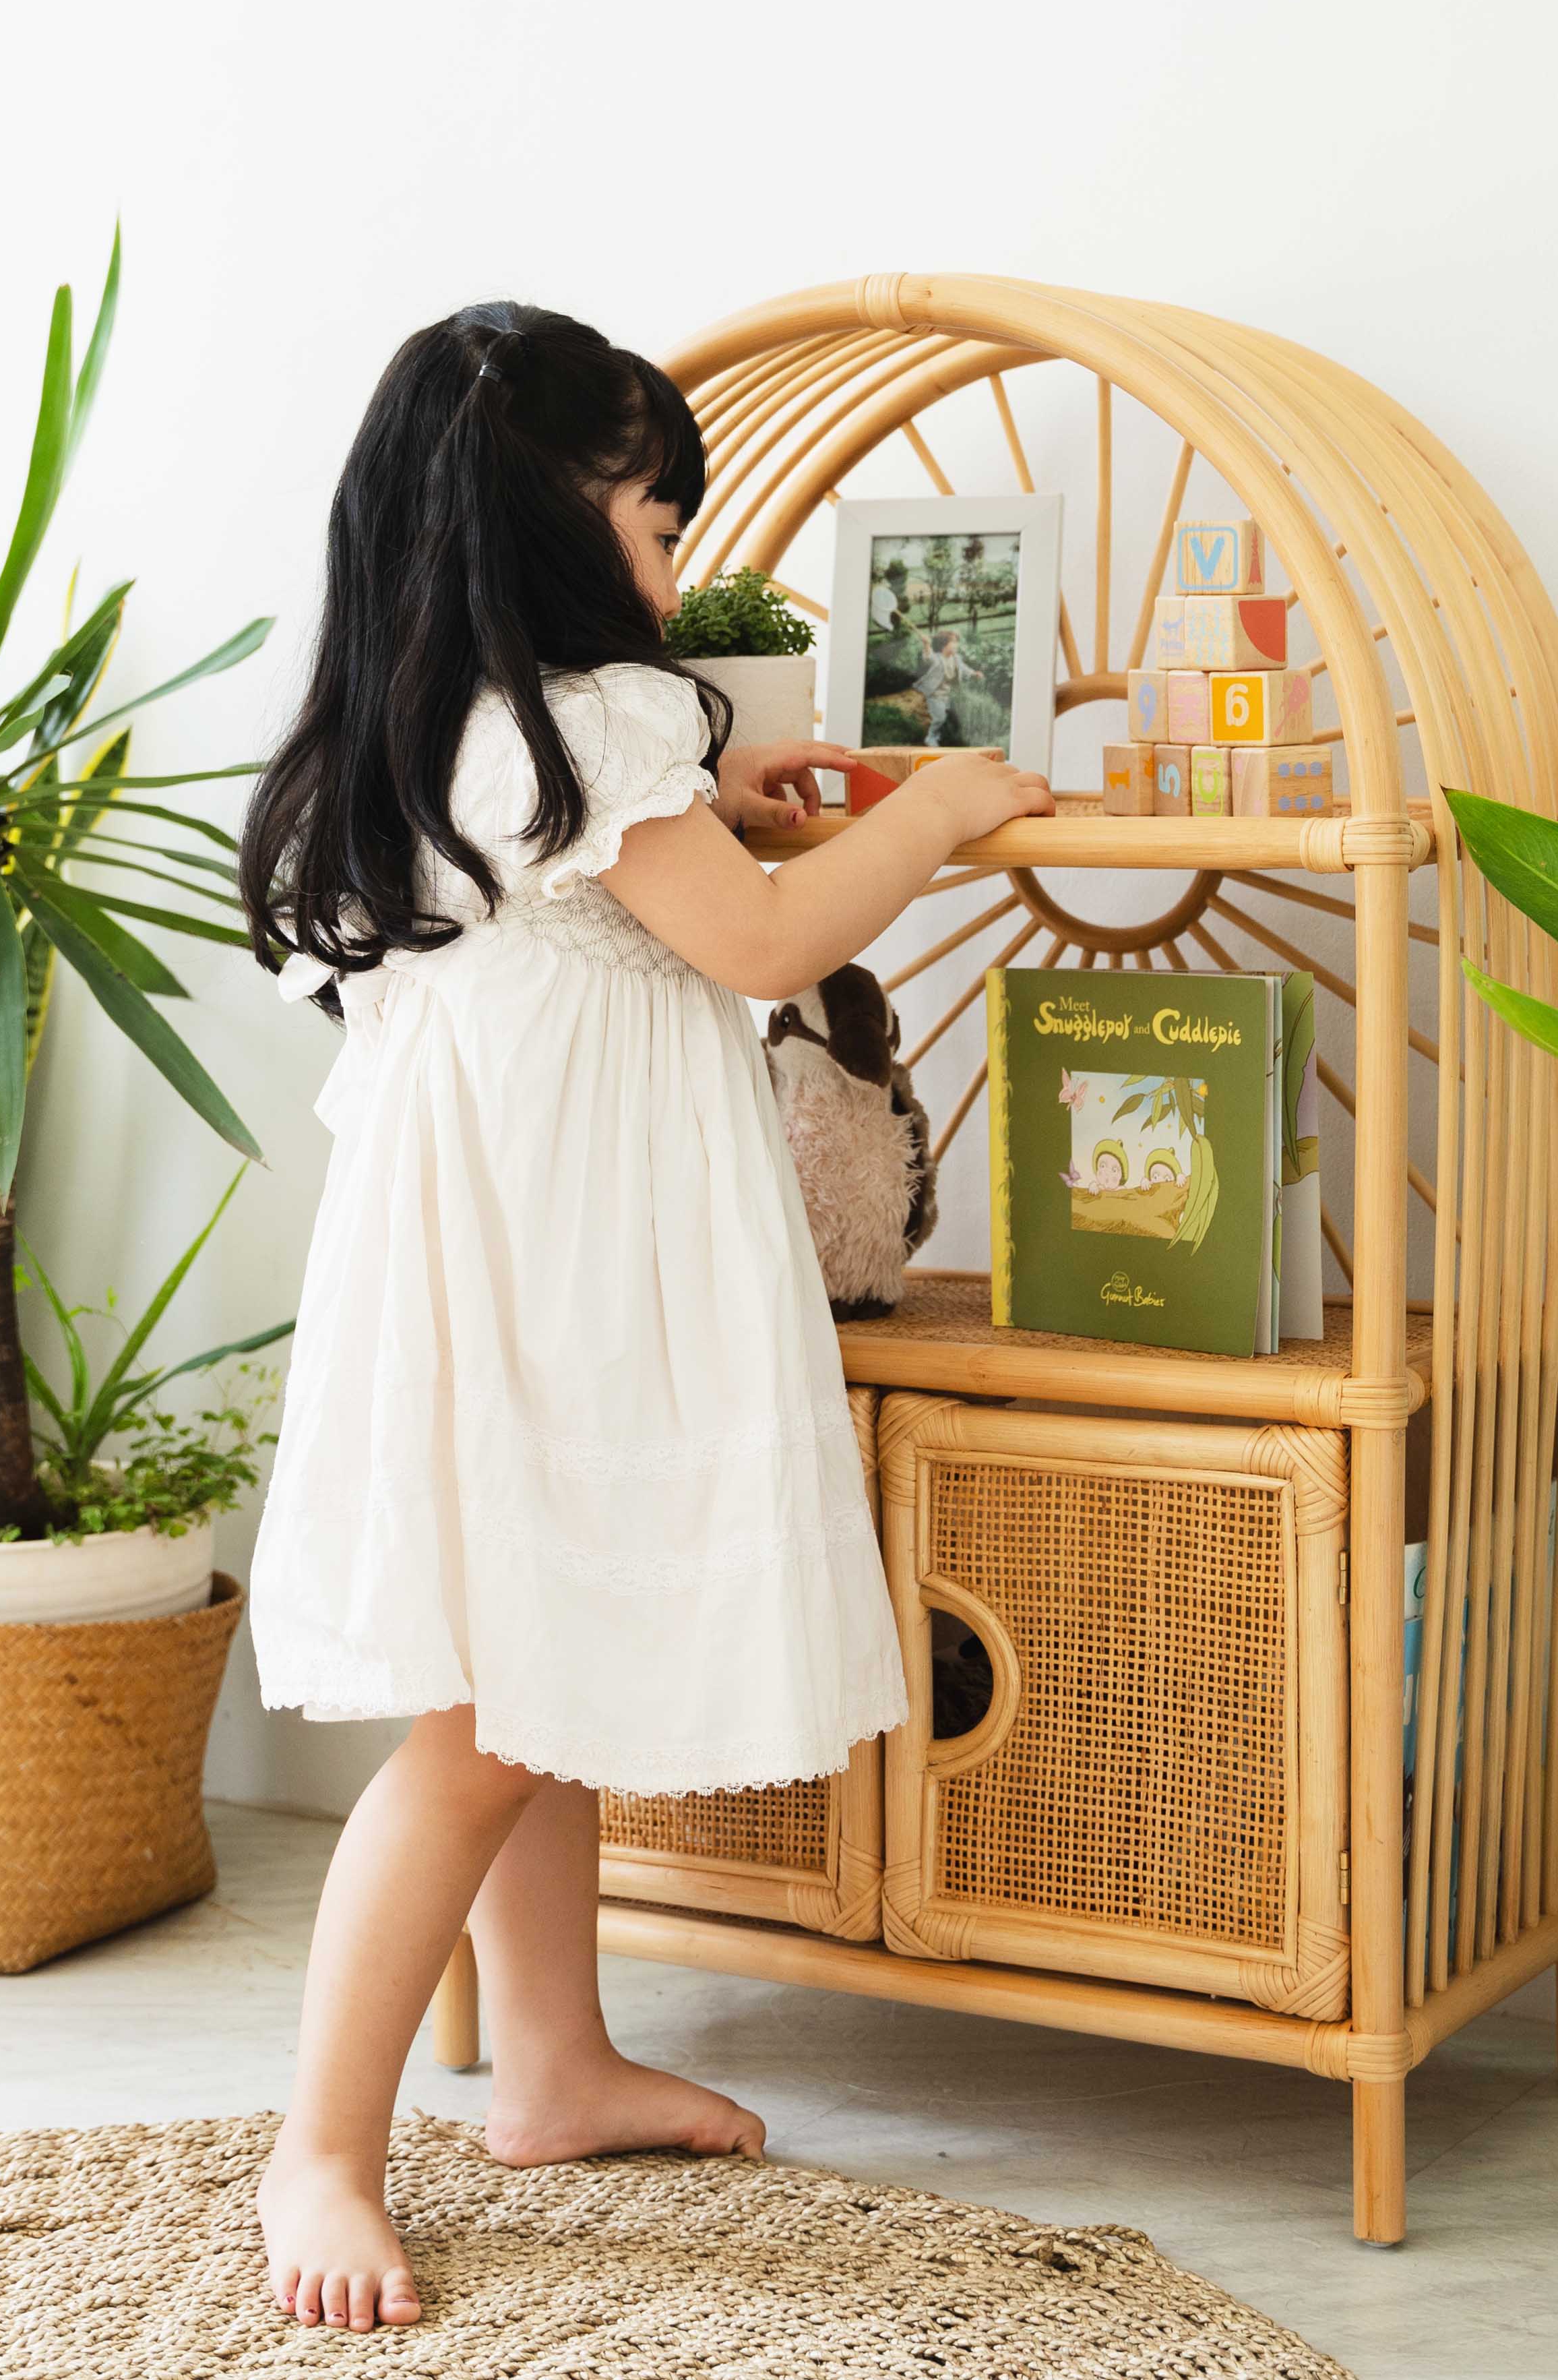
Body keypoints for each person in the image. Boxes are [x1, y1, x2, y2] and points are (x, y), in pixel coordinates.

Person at [236, 303, 1053, 2334]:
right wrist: (939, 803)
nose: (673, 569)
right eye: (655, 521)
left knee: (542, 1674)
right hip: (564, 1263)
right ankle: (320, 2141)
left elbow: (630, 883)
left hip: (493, 1247)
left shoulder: (435, 716)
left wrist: (737, 785)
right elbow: (764, 934)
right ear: (546, 517)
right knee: (484, 1719)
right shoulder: (590, 719)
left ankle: (551, 2056)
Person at [910, 625, 985, 747]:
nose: (957, 645)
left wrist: (973, 674)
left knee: (948, 716)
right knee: (940, 717)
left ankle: (941, 735)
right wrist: (927, 645)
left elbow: (964, 669)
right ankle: (931, 738)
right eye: (953, 642)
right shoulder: (938, 659)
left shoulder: (956, 658)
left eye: (957, 642)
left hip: (947, 694)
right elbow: (928, 658)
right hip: (935, 694)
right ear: (944, 645)